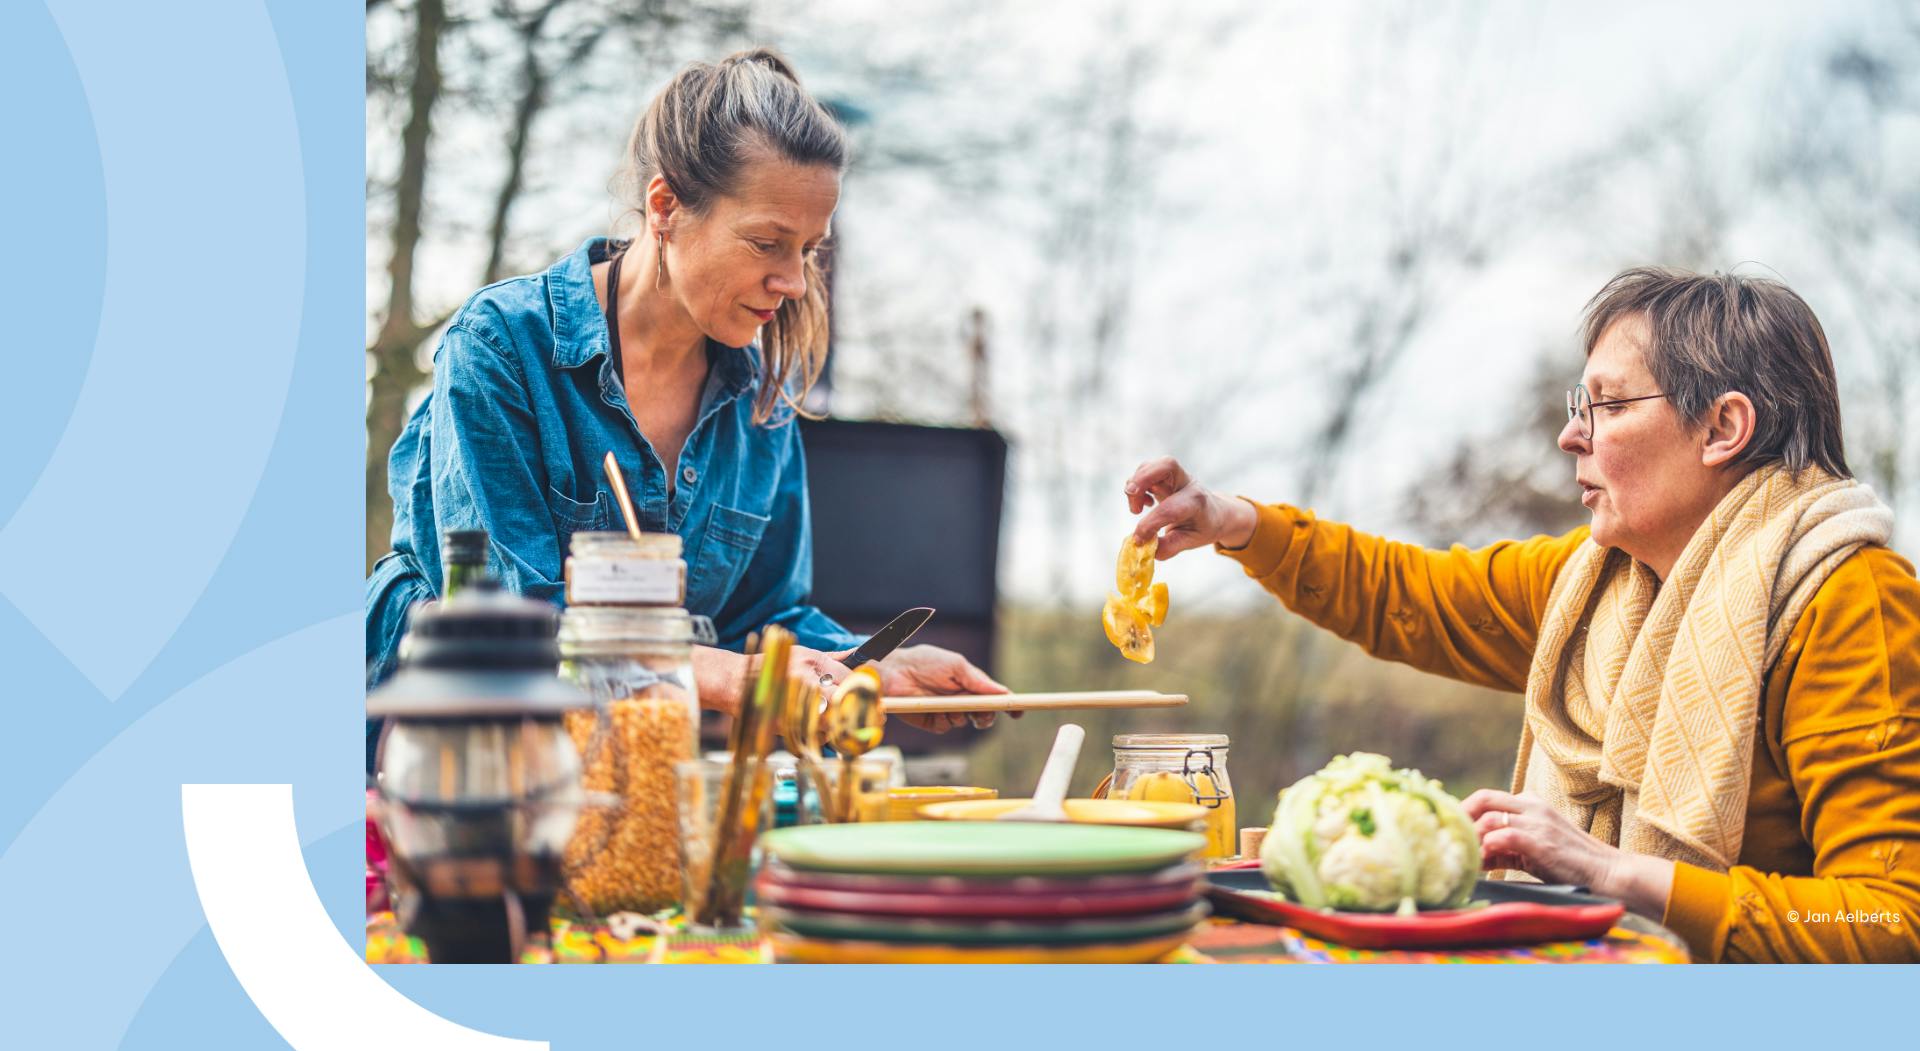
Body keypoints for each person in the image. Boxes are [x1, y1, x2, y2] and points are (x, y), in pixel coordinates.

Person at [1127, 267, 1920, 962]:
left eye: (1607, 405)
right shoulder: (1594, 586)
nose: (1572, 433)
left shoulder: (1851, 602)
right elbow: (1408, 594)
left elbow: (1889, 922)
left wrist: (1612, 875)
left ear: (1723, 428)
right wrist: (1234, 522)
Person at [366, 48, 1004, 765]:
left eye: (809, 250)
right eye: (767, 243)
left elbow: (765, 615)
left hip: (633, 783)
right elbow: (503, 624)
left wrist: (865, 666)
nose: (793, 281)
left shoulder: (762, 400)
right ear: (665, 207)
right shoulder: (502, 348)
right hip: (450, 768)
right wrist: (729, 676)